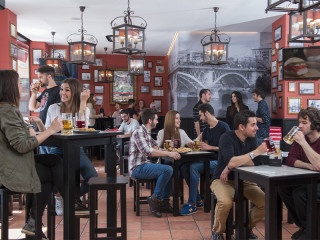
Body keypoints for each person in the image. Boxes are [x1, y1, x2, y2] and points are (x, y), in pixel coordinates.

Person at [0, 70, 64, 239]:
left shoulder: (5, 109)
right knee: (49, 171)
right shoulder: (7, 111)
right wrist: (50, 130)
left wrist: (29, 130)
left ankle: (34, 222)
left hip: (10, 162)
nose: (22, 86)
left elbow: (15, 141)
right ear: (10, 87)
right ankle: (66, 203)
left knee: (53, 159)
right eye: (19, 83)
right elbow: (22, 146)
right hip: (9, 170)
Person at [29, 78, 98, 216]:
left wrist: (83, 102)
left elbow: (82, 126)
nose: (62, 92)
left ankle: (71, 198)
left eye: (67, 90)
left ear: (75, 92)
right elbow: (47, 131)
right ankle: (61, 197)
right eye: (62, 89)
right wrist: (39, 123)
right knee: (58, 175)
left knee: (92, 178)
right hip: (57, 149)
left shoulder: (81, 106)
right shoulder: (53, 108)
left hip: (76, 150)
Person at [211, 110, 267, 240]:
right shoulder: (226, 137)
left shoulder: (252, 139)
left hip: (245, 180)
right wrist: (254, 153)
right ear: (242, 127)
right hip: (222, 179)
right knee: (225, 202)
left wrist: (231, 165)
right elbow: (232, 161)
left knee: (266, 202)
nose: (257, 128)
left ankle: (245, 227)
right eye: (253, 125)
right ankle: (217, 232)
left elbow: (252, 164)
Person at [129, 108, 181, 218]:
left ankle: (165, 202)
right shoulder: (139, 132)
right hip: (137, 168)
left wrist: (168, 151)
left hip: (145, 165)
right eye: (156, 119)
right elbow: (147, 151)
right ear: (150, 121)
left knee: (168, 167)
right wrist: (169, 154)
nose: (158, 121)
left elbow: (156, 146)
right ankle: (155, 199)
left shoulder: (146, 133)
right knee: (168, 169)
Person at [278, 107, 320, 240]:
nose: (300, 126)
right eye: (299, 122)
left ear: (315, 123)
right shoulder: (302, 138)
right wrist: (308, 165)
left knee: (299, 193)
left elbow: (319, 165)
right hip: (309, 179)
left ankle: (311, 229)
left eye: (304, 122)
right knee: (282, 188)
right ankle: (306, 227)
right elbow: (290, 159)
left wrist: (303, 143)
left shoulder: (304, 140)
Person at [180, 103, 230, 215]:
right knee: (184, 166)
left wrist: (210, 147)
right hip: (208, 160)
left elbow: (228, 149)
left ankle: (192, 204)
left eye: (201, 115)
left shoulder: (223, 127)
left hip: (220, 163)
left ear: (207, 113)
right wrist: (193, 144)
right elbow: (197, 140)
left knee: (193, 167)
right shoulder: (207, 129)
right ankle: (198, 199)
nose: (200, 118)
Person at [28, 65, 61, 154]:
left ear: (49, 77)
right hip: (41, 129)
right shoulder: (45, 92)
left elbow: (59, 111)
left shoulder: (59, 91)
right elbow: (32, 107)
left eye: (40, 77)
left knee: (52, 159)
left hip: (50, 131)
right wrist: (34, 92)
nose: (39, 80)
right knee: (44, 159)